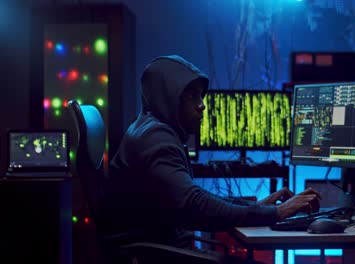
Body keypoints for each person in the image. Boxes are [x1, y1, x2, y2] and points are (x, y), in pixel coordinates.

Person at [107, 55, 320, 263]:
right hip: (162, 256)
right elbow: (194, 204)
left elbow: (190, 198)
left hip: (164, 251)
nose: (202, 105)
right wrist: (277, 212)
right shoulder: (155, 139)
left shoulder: (150, 130)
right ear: (168, 98)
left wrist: (261, 208)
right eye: (191, 96)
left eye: (201, 96)